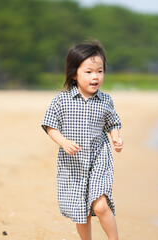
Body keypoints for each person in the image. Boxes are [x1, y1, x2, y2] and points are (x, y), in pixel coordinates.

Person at [41, 40, 123, 240]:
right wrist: (62, 142)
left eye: (100, 71)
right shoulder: (62, 100)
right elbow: (50, 125)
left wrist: (116, 137)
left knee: (100, 204)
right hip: (73, 163)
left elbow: (113, 123)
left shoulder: (105, 100)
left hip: (98, 159)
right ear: (74, 73)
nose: (95, 76)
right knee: (81, 211)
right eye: (89, 72)